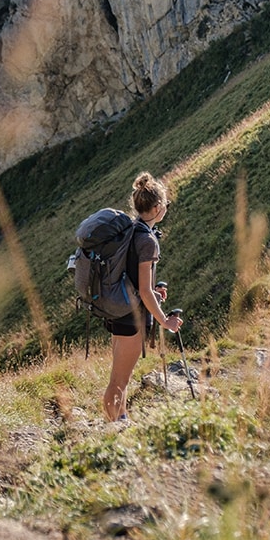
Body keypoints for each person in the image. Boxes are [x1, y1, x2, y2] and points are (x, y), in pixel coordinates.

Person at [102, 171, 182, 422]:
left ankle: (120, 420)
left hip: (119, 309)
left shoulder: (131, 230)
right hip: (131, 317)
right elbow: (145, 291)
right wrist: (164, 321)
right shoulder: (147, 240)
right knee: (119, 380)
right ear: (158, 207)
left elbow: (134, 278)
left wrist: (151, 293)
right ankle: (117, 427)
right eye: (166, 205)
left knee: (119, 377)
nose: (166, 208)